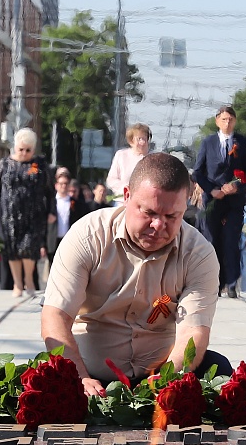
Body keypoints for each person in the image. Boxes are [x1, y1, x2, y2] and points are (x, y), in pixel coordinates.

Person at [42, 153, 230, 398]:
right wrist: (78, 377)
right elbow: (56, 315)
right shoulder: (87, 236)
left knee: (222, 373)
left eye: (172, 216)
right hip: (88, 371)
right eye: (149, 213)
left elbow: (193, 333)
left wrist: (166, 380)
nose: (158, 226)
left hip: (160, 371)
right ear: (127, 196)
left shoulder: (198, 254)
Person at [193, 106, 246, 298]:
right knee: (212, 241)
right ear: (217, 121)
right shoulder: (208, 142)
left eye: (230, 119)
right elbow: (198, 172)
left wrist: (237, 185)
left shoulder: (242, 143)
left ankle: (231, 283)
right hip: (213, 199)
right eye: (224, 119)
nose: (227, 123)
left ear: (235, 121)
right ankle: (214, 282)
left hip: (234, 201)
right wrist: (211, 190)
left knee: (231, 239)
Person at [0, 127, 53, 297]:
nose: (24, 153)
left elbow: (49, 190)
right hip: (9, 215)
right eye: (21, 149)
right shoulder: (4, 164)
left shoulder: (38, 164)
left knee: (28, 248)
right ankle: (17, 284)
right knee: (13, 250)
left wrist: (51, 211)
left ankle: (29, 281)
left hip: (33, 215)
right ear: (15, 148)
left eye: (28, 150)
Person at [105, 123, 152, 201]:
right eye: (139, 139)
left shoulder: (153, 158)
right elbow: (111, 180)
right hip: (123, 201)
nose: (142, 142)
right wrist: (127, 189)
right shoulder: (121, 155)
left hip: (145, 202)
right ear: (131, 141)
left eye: (145, 139)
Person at [47, 170, 85, 256]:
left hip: (69, 241)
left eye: (66, 183)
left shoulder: (76, 203)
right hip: (53, 242)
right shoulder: (50, 203)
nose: (63, 186)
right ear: (56, 185)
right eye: (61, 183)